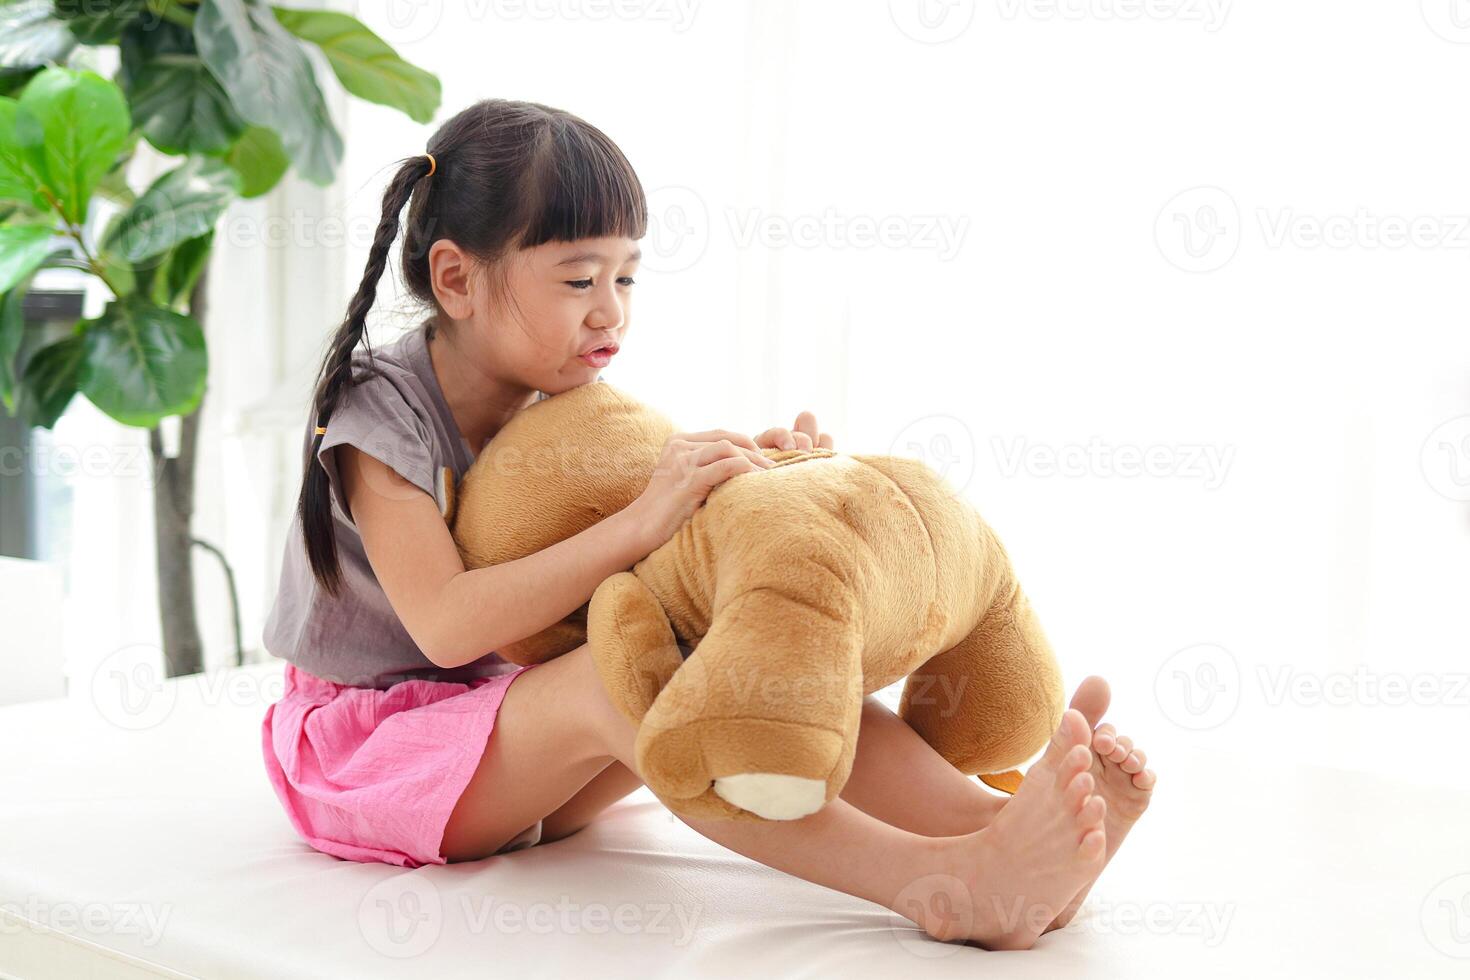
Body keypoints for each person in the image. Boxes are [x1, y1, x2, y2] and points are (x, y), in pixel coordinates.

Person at [259, 98, 1155, 950]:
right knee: (625, 673)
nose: (610, 310)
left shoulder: (559, 394)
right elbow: (447, 626)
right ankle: (942, 883)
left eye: (627, 277)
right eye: (579, 279)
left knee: (731, 641)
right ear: (455, 278)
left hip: (508, 741)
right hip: (378, 753)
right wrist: (649, 517)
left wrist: (747, 488)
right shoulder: (380, 412)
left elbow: (647, 546)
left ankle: (1001, 830)